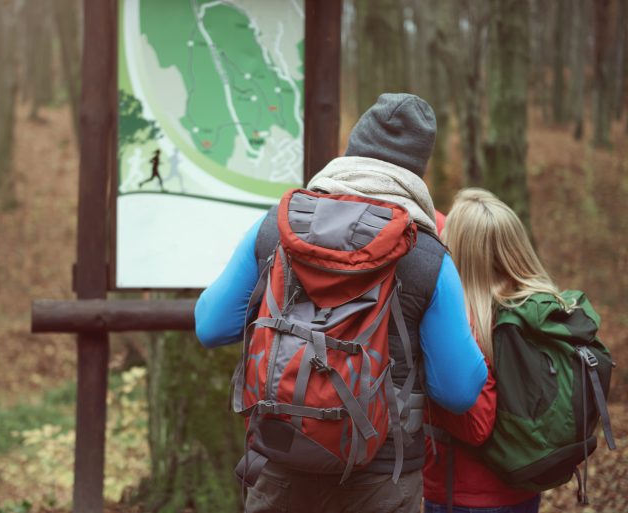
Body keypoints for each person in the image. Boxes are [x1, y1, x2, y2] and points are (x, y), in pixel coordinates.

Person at [195, 93, 488, 513]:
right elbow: (459, 391)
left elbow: (211, 327)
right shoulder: (428, 258)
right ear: (417, 170)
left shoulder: (274, 231)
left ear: (350, 152)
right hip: (381, 477)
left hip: (280, 463)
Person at [423, 188, 557, 513]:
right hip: (525, 484)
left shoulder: (463, 323)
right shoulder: (541, 306)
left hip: (464, 497)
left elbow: (476, 424)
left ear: (458, 248)